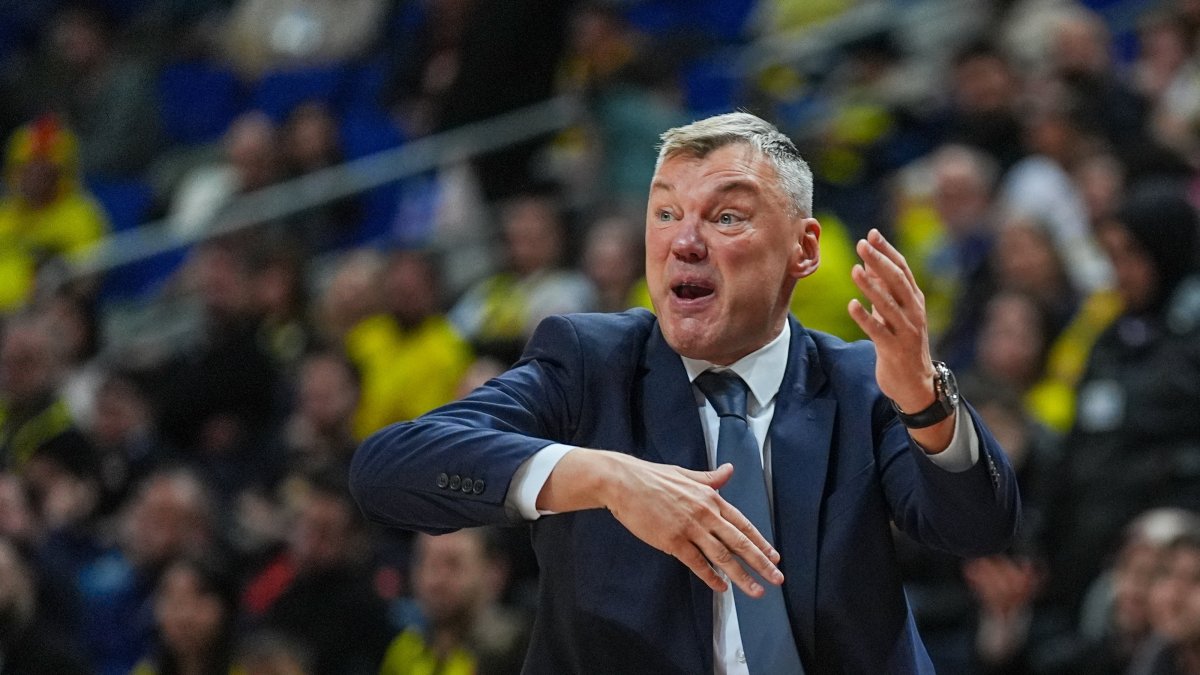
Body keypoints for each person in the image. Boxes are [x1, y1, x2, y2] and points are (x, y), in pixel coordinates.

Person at [351, 112, 1019, 673]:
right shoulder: (591, 365)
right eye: (665, 210)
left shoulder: (857, 384)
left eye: (725, 215)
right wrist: (602, 475)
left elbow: (978, 527)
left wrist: (925, 401)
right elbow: (386, 467)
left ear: (803, 248)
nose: (685, 240)